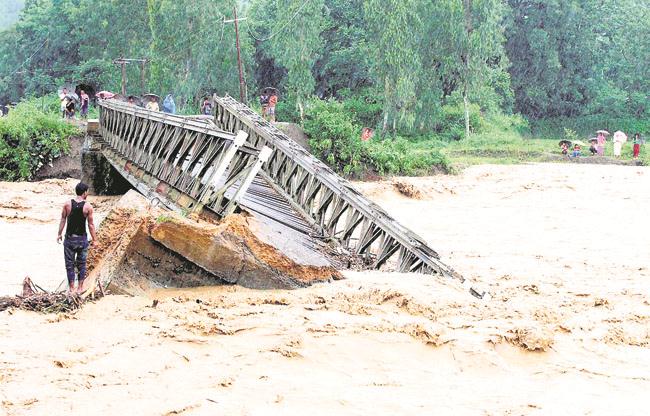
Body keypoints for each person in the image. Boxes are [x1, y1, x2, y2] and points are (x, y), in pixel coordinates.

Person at [56, 182, 96, 294]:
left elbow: (63, 219)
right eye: (87, 191)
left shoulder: (67, 204)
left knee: (69, 265)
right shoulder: (88, 206)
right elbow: (91, 225)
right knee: (81, 264)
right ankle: (80, 288)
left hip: (69, 239)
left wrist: (59, 234)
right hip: (82, 240)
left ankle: (72, 288)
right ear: (84, 192)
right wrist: (95, 240)